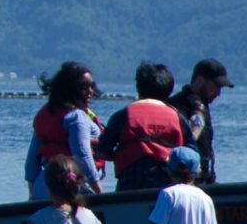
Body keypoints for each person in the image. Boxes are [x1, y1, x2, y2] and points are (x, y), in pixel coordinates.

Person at [96, 62, 187, 192]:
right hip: (168, 186)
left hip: (130, 184)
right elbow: (191, 152)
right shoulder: (178, 118)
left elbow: (102, 151)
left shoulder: (123, 116)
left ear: (138, 87)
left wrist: (123, 153)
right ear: (169, 90)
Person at [26, 62, 104, 200]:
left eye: (91, 86)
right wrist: (100, 193)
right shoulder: (77, 117)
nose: (90, 91)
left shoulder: (45, 114)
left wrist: (32, 192)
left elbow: (32, 160)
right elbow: (83, 156)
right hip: (72, 188)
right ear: (70, 88)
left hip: (43, 188)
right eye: (83, 87)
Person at [169, 59, 231, 183]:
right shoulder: (177, 106)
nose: (218, 93)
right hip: (186, 181)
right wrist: (199, 110)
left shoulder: (202, 104)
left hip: (205, 179)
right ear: (200, 81)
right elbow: (189, 138)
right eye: (215, 86)